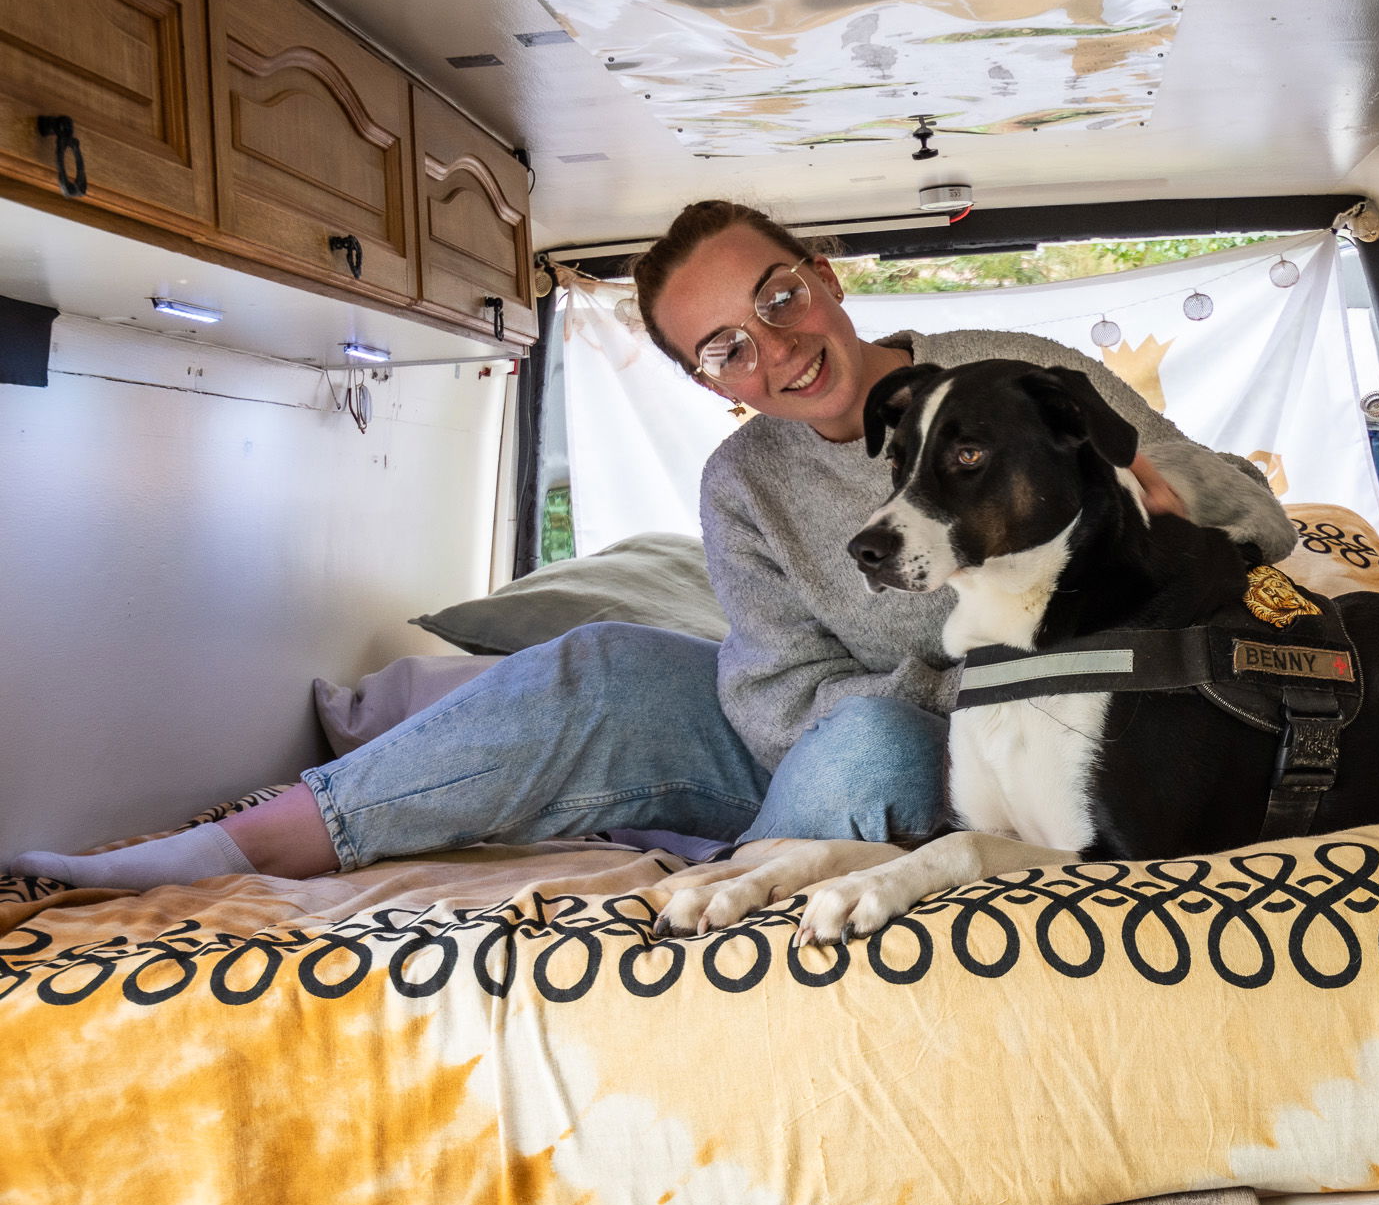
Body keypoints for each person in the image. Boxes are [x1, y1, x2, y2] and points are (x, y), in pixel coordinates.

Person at [10, 200, 1296, 893]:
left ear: (824, 274)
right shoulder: (745, 483)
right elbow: (773, 703)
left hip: (980, 736)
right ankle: (247, 842)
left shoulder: (1020, 374)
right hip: (816, 738)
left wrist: (1156, 487)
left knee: (871, 742)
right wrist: (936, 668)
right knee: (606, 661)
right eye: (725, 347)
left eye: (777, 299)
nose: (773, 348)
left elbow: (1258, 517)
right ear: (710, 384)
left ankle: (731, 885)